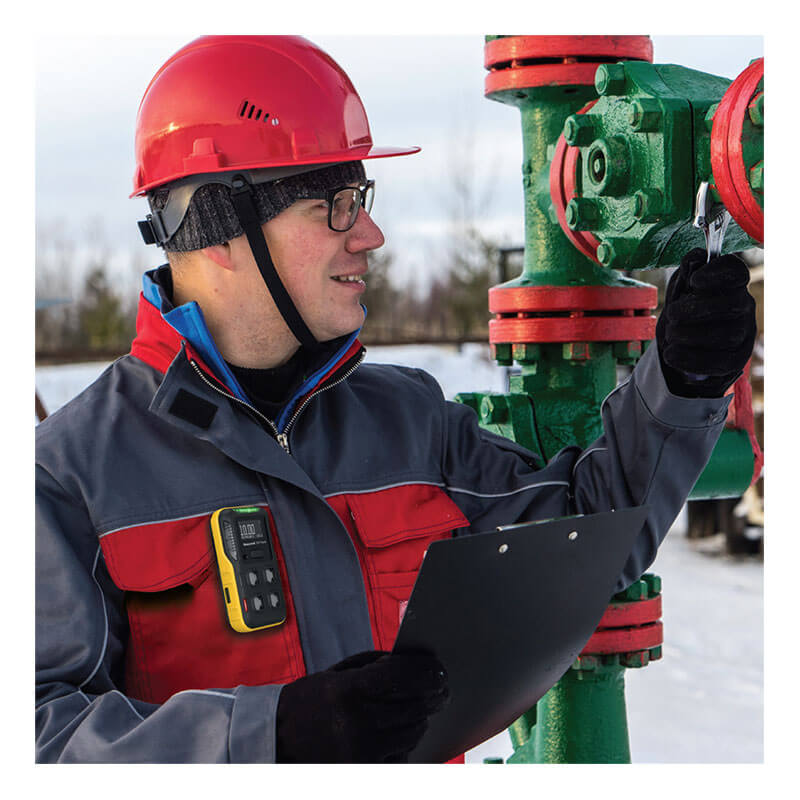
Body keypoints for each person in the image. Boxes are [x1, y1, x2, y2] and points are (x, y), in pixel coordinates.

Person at [35, 35, 756, 764]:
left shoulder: (406, 421)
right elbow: (38, 738)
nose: (371, 235)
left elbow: (588, 541)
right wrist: (270, 738)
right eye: (336, 205)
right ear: (220, 224)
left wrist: (683, 377)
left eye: (363, 198)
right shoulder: (70, 477)